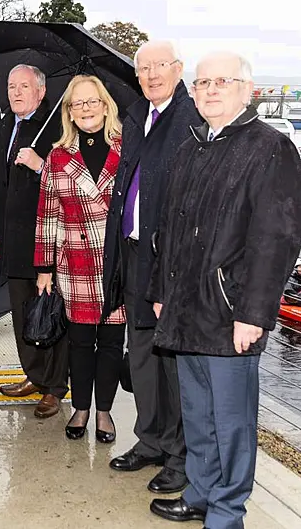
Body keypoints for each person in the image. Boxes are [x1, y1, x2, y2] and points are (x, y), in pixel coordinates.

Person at [148, 52, 301, 528]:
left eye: (222, 81)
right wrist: (161, 291)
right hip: (186, 306)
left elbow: (276, 238)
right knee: (198, 413)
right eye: (202, 82)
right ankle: (199, 493)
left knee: (232, 422)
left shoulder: (270, 147)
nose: (211, 89)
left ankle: (227, 512)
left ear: (246, 88)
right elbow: (167, 231)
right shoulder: (191, 146)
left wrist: (254, 314)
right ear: (192, 93)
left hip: (232, 311)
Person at [102, 40, 201, 493]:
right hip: (133, 250)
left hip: (171, 258)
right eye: (143, 68)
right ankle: (150, 439)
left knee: (172, 361)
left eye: (160, 66)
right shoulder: (136, 114)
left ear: (178, 69)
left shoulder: (191, 117)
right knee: (141, 352)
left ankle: (180, 456)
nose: (151, 74)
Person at [34, 74, 125, 440]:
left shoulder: (127, 148)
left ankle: (105, 412)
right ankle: (81, 409)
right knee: (81, 341)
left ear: (105, 106)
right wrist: (44, 267)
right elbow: (47, 214)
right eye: (78, 103)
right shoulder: (57, 157)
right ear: (69, 112)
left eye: (92, 101)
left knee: (112, 343)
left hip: (117, 264)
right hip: (76, 262)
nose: (86, 109)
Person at [0, 64, 69, 418]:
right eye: (11, 86)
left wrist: (41, 165)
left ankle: (54, 386)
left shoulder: (55, 127)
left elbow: (70, 181)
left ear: (41, 90)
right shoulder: (7, 123)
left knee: (48, 312)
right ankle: (33, 374)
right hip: (12, 238)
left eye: (24, 86)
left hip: (45, 239)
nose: (16, 92)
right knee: (22, 313)